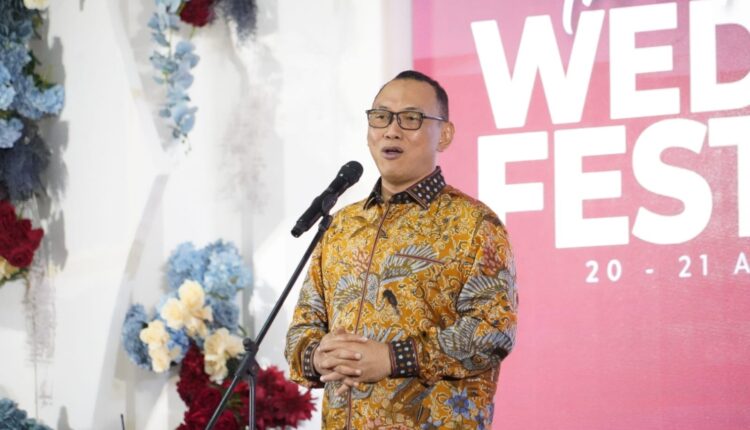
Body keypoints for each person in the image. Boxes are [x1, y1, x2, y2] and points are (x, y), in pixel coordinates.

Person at [285, 70, 518, 429]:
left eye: (410, 118)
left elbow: (493, 332)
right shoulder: (341, 226)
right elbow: (303, 327)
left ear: (445, 134)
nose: (391, 130)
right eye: (381, 116)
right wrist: (317, 357)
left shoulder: (474, 224)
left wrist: (394, 358)